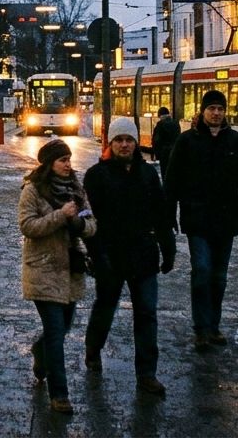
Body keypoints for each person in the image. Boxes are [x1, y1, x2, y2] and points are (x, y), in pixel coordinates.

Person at [164, 89, 238, 351]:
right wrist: (168, 213)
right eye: (212, 109)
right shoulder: (187, 141)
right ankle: (201, 328)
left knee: (219, 277)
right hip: (196, 218)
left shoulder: (235, 141)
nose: (217, 113)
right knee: (202, 272)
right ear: (202, 111)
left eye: (220, 109)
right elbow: (173, 179)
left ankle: (213, 326)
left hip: (226, 218)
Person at [82, 118, 174, 397]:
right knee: (105, 306)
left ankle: (147, 373)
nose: (124, 144)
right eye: (119, 140)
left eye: (129, 140)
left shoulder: (148, 175)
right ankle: (93, 348)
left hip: (143, 254)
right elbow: (89, 221)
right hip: (110, 255)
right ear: (110, 143)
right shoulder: (96, 175)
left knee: (146, 313)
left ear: (136, 143)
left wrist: (168, 247)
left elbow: (161, 214)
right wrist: (97, 256)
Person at [19, 138, 96, 415]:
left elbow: (91, 224)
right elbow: (27, 226)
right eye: (63, 160)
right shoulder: (33, 190)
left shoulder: (76, 189)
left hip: (70, 271)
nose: (68, 165)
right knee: (55, 332)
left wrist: (78, 222)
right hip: (43, 269)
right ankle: (59, 394)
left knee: (62, 329)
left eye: (69, 159)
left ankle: (40, 353)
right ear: (50, 163)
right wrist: (60, 216)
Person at [151, 106, 180, 175]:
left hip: (164, 154)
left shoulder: (160, 124)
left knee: (164, 172)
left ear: (160, 115)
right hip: (174, 152)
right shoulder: (176, 123)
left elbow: (156, 140)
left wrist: (155, 153)